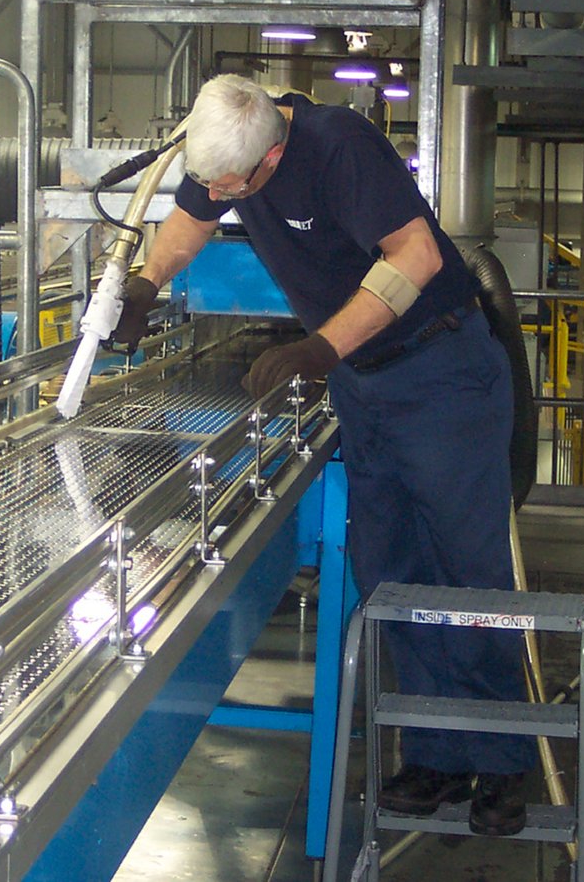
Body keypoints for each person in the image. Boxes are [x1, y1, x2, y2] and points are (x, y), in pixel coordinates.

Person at [111, 74, 533, 835]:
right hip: (367, 388)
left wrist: (319, 346)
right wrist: (145, 283)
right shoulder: (230, 151)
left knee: (466, 570)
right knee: (391, 568)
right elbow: (187, 221)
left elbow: (415, 256)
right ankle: (436, 751)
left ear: (271, 156)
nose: (219, 195)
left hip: (441, 376)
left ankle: (501, 763)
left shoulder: (339, 148)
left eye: (231, 186)